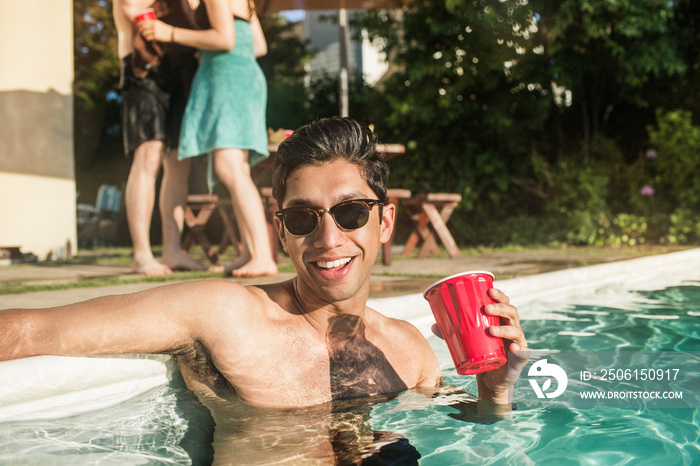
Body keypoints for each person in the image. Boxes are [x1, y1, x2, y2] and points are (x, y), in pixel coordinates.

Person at [0, 117, 528, 410]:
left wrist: (496, 393)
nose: (327, 237)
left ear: (384, 222)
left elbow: (470, 433)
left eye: (349, 212)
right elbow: (25, 332)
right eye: (302, 218)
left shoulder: (412, 352)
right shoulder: (225, 314)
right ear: (280, 231)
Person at [138, 0, 277, 277]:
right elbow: (258, 45)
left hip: (227, 79)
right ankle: (250, 253)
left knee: (230, 168)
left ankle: (263, 255)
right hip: (242, 76)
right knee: (238, 169)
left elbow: (224, 39)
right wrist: (209, 49)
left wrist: (170, 33)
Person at [114, 0, 206, 275]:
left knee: (180, 162)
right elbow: (130, 9)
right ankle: (141, 254)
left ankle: (172, 251)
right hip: (143, 69)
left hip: (182, 72)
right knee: (149, 156)